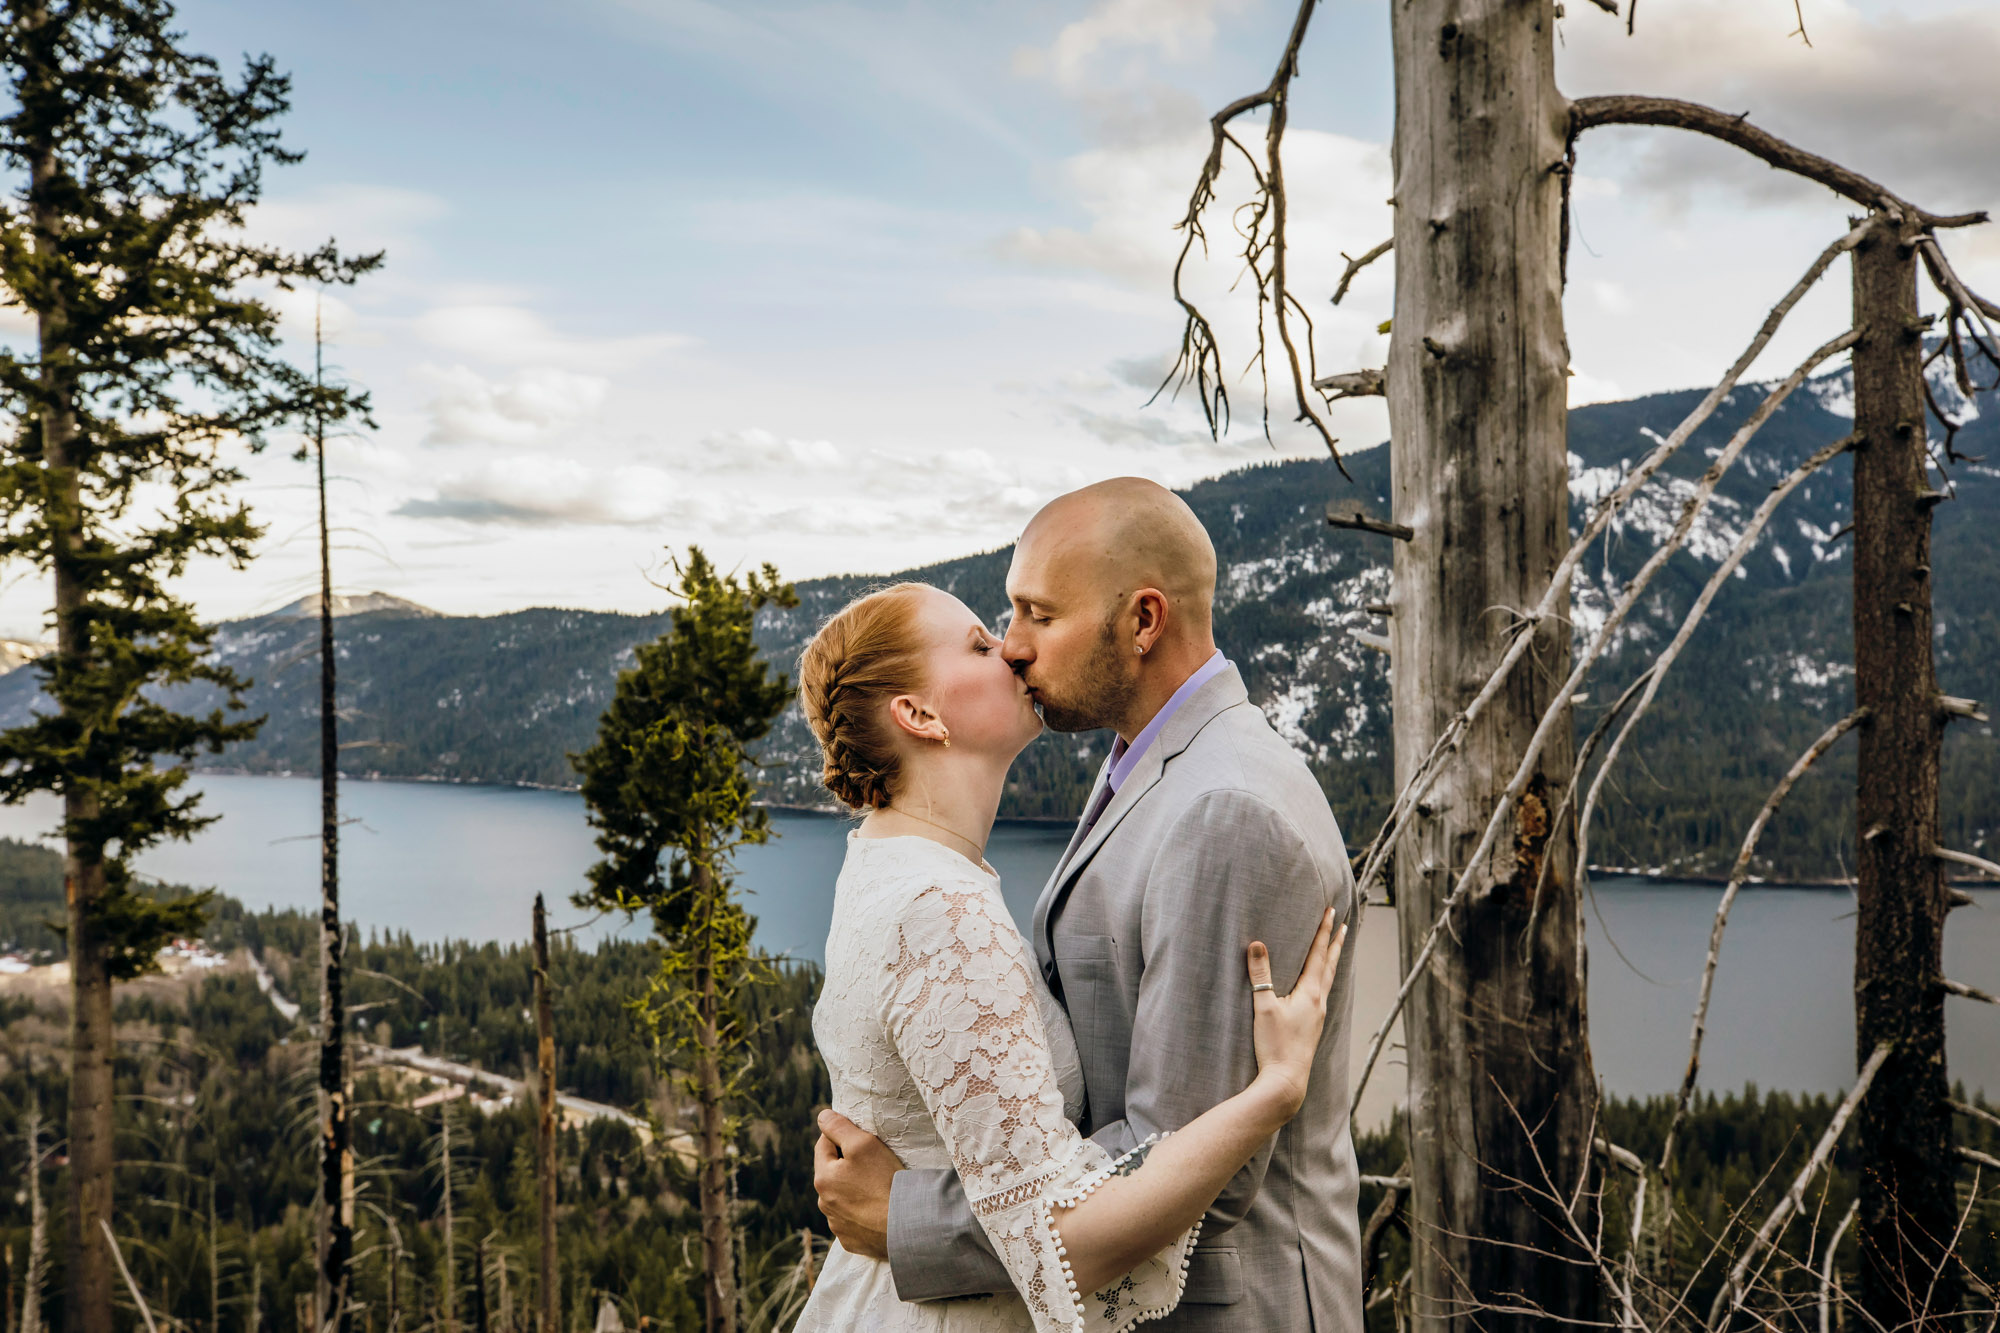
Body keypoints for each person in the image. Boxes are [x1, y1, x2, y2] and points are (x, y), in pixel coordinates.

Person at [812, 478, 1363, 1331]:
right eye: (1003, 620)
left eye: (1038, 614)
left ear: (1143, 620)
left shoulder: (1227, 810)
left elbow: (1186, 1161)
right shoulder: (1142, 767)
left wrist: (905, 1217)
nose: (1014, 647)